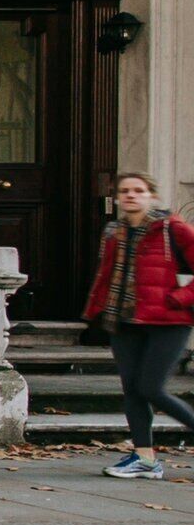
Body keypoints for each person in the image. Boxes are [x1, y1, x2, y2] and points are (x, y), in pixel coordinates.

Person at [84, 169, 194, 479]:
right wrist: (96, 310)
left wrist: (178, 298)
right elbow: (106, 276)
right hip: (124, 320)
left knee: (151, 388)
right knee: (132, 390)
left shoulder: (173, 229)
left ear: (152, 196)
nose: (131, 195)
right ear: (117, 198)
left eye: (138, 190)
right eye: (125, 191)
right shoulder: (113, 233)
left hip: (169, 321)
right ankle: (144, 459)